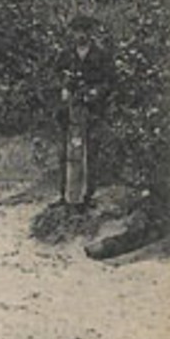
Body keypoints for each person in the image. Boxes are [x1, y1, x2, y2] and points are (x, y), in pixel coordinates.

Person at [56, 16, 114, 206]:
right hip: (71, 110)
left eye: (85, 30)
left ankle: (88, 195)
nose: (81, 34)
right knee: (67, 151)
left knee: (91, 150)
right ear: (72, 33)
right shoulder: (66, 54)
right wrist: (63, 89)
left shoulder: (101, 54)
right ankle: (65, 194)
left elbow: (110, 81)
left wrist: (95, 92)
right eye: (77, 30)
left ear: (91, 32)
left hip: (94, 110)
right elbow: (56, 76)